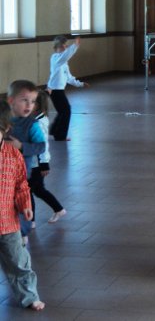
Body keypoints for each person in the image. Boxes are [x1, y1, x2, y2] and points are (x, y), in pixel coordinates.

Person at [0, 100, 45, 311]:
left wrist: (25, 205)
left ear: (6, 129)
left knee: (19, 262)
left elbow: (21, 185)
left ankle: (29, 296)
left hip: (8, 223)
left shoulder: (13, 155)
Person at [6, 80, 46, 245]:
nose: (29, 105)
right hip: (3, 171)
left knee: (20, 202)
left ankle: (22, 232)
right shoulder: (4, 120)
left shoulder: (32, 124)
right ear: (11, 101)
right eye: (24, 100)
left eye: (33, 101)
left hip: (20, 173)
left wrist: (21, 146)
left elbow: (41, 146)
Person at [30, 90, 67, 225]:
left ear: (38, 105)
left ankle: (30, 221)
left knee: (27, 191)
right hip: (33, 162)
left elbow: (43, 144)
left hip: (36, 164)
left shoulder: (40, 122)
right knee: (38, 190)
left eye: (31, 102)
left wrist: (44, 163)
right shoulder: (32, 119)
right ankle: (59, 209)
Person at [47, 35, 88, 141]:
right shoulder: (55, 58)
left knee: (63, 111)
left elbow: (68, 77)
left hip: (58, 90)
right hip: (54, 90)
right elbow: (66, 55)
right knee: (66, 111)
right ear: (59, 46)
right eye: (65, 45)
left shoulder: (63, 62)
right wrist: (75, 46)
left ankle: (54, 130)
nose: (66, 47)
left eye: (66, 46)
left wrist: (80, 84)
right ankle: (60, 135)